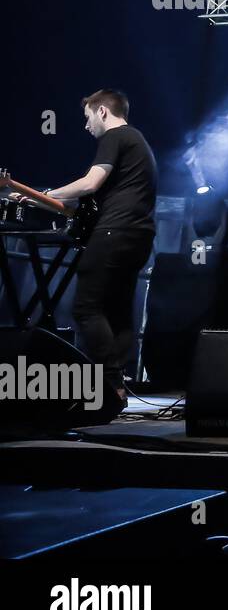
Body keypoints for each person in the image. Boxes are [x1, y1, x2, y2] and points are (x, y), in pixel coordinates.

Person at [44, 90, 157, 417]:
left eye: (88, 117)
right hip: (140, 235)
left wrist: (46, 193)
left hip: (114, 233)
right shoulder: (139, 142)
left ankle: (108, 384)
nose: (86, 126)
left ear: (103, 112)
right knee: (118, 311)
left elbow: (91, 184)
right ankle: (117, 388)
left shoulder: (116, 136)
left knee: (86, 308)